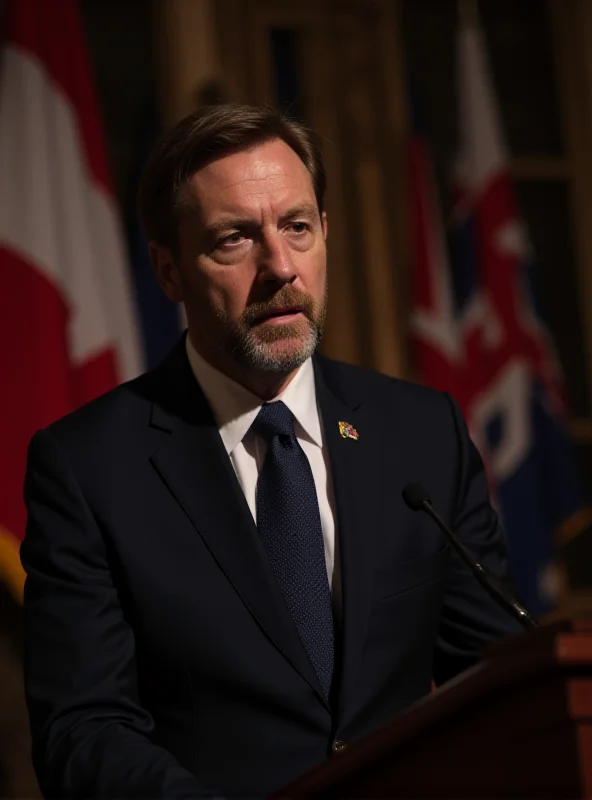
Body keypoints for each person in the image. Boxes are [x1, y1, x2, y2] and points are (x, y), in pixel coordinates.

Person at [21, 103, 523, 799]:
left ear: (326, 234)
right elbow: (83, 730)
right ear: (168, 272)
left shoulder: (421, 431)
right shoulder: (88, 467)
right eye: (234, 239)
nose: (280, 267)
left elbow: (500, 683)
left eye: (297, 227)